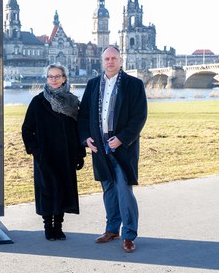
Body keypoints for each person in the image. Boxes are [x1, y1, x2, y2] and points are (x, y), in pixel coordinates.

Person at [78, 46, 147, 253]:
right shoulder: (92, 85)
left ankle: (128, 235)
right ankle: (111, 229)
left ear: (120, 60)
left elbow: (139, 117)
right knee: (108, 188)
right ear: (102, 61)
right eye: (107, 58)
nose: (110, 62)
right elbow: (83, 117)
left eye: (114, 58)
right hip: (100, 146)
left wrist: (123, 139)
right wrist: (85, 139)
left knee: (123, 189)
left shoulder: (133, 85)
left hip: (122, 146)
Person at [22, 64, 86, 241]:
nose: (54, 79)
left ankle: (58, 226)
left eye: (57, 76)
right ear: (47, 79)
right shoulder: (38, 101)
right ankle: (48, 227)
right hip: (45, 155)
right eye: (50, 76)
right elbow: (27, 129)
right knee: (48, 190)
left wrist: (80, 154)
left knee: (64, 189)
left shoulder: (73, 102)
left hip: (66, 155)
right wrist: (36, 151)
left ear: (64, 78)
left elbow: (77, 130)